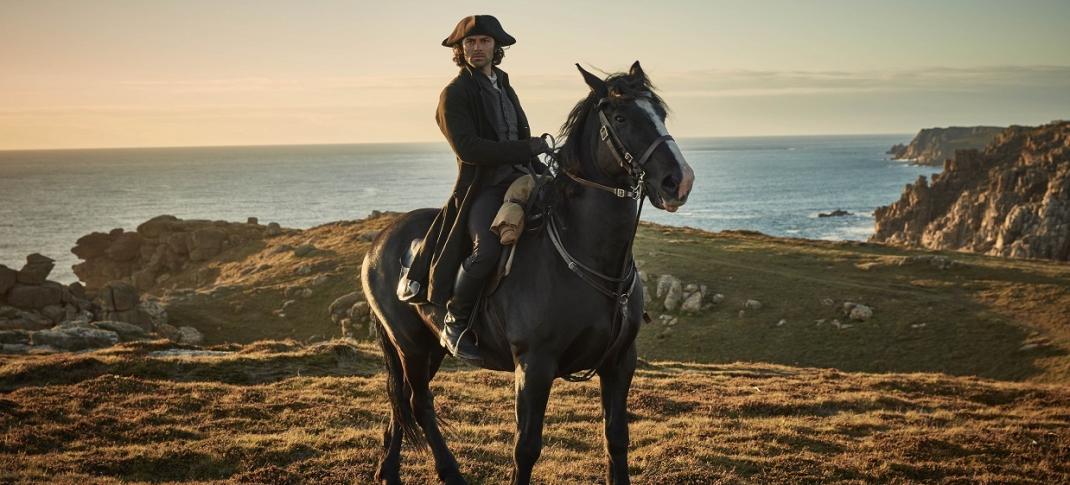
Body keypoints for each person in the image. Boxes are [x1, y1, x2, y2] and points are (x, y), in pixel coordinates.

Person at [400, 15, 552, 360]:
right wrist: (526, 147)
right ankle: (455, 321)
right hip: (483, 189)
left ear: (496, 47)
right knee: (487, 249)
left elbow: (516, 136)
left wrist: (540, 163)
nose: (476, 48)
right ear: (460, 49)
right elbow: (469, 148)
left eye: (483, 41)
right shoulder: (454, 94)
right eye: (469, 43)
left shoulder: (504, 86)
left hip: (524, 180)